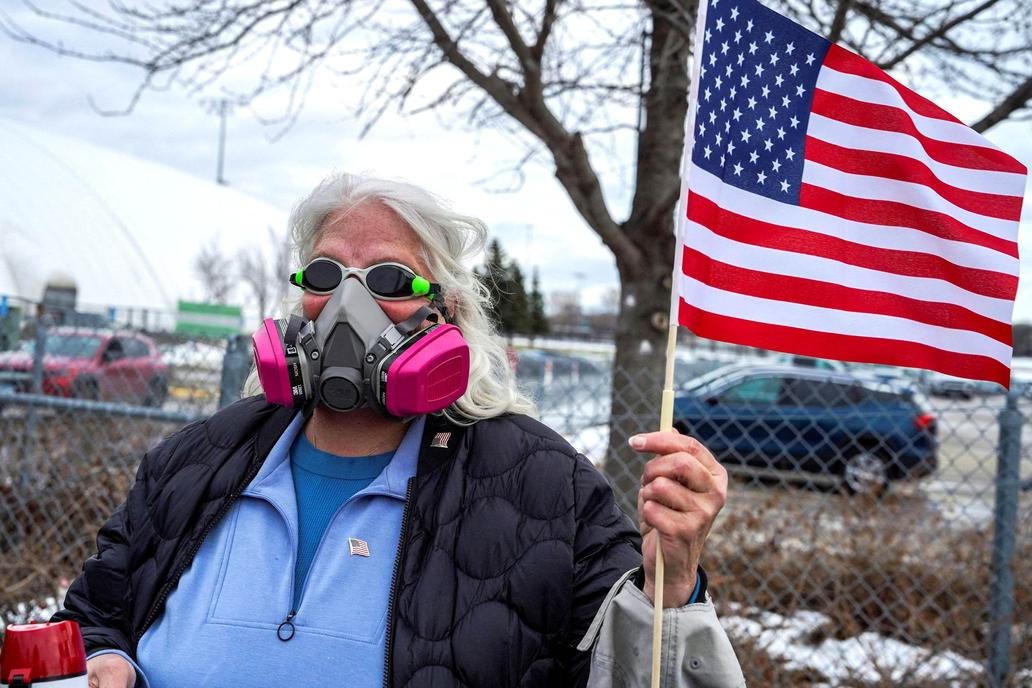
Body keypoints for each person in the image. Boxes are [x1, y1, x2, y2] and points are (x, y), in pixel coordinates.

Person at [53, 174, 744, 687]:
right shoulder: (195, 459)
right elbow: (93, 615)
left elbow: (630, 671)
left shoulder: (547, 488)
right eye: (327, 273)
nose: (349, 304)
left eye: (388, 277)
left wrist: (670, 591)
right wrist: (104, 657)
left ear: (444, 310)